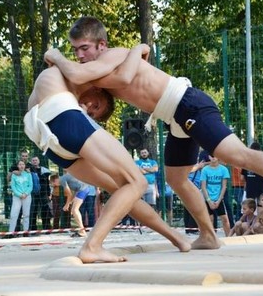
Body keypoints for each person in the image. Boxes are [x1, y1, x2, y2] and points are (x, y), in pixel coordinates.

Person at [45, 16, 263, 236]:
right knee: (176, 179)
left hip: (186, 103)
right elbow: (86, 76)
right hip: (173, 116)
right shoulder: (102, 66)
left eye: (84, 48)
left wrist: (57, 56)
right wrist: (140, 48)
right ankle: (207, 234)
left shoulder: (109, 58)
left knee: (236, 155)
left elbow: (118, 74)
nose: (79, 55)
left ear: (101, 45)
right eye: (75, 50)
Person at [25, 44, 190, 263]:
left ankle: (175, 237)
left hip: (47, 140)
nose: (90, 108)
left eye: (93, 113)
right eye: (97, 106)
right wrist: (138, 49)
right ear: (99, 90)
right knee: (137, 182)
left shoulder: (62, 79)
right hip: (61, 117)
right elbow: (123, 76)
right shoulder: (84, 72)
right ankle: (92, 246)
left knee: (126, 189)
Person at [200, 154, 231, 236]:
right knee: (210, 219)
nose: (213, 157)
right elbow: (203, 186)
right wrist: (209, 200)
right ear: (209, 157)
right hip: (208, 198)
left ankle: (229, 238)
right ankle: (211, 238)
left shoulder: (223, 169)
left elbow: (224, 186)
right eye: (211, 155)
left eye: (215, 155)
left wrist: (218, 200)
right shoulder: (205, 170)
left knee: (225, 219)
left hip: (219, 198)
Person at [61, 170, 92, 237]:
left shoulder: (62, 179)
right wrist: (70, 202)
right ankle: (82, 230)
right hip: (85, 189)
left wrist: (66, 205)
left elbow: (69, 194)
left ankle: (82, 230)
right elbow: (75, 191)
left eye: (52, 183)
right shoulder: (71, 176)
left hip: (83, 190)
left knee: (74, 210)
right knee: (74, 210)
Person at [8, 160, 33, 235]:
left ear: (25, 166)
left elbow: (30, 185)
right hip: (17, 197)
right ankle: (11, 232)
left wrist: (26, 193)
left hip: (27, 196)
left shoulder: (28, 174)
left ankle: (25, 232)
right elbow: (13, 186)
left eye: (23, 164)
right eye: (20, 164)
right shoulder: (14, 175)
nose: (21, 166)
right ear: (17, 166)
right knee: (13, 214)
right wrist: (20, 194)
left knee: (26, 214)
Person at [30, 156, 52, 230]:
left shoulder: (45, 171)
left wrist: (49, 194)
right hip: (33, 194)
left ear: (39, 161)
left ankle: (47, 228)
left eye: (36, 160)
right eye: (33, 160)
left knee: (45, 211)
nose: (35, 161)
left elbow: (47, 184)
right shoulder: (29, 170)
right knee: (33, 211)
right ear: (31, 161)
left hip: (43, 194)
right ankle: (33, 229)